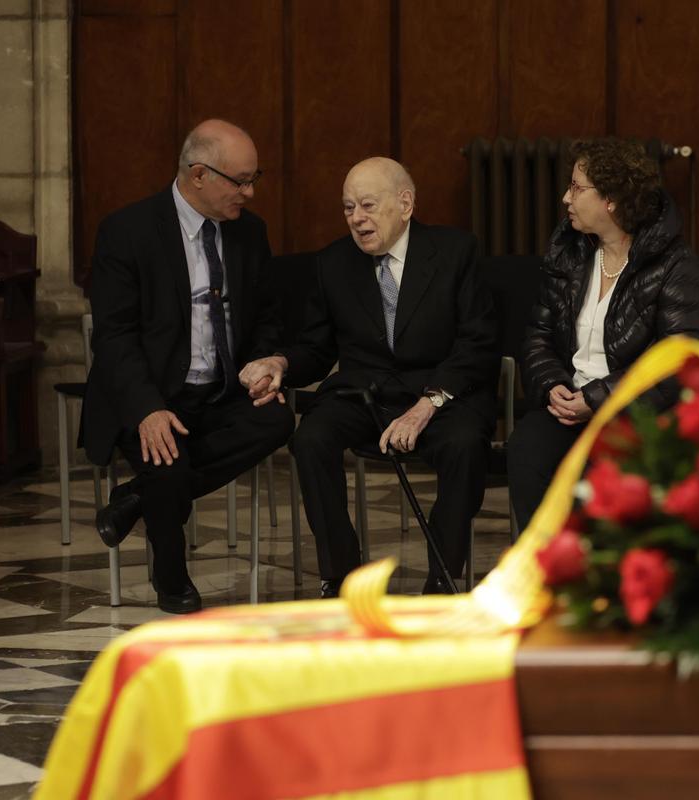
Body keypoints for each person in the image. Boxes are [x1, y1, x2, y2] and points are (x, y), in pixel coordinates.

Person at [239, 157, 498, 597]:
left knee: (464, 444)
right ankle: (341, 576)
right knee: (311, 439)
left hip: (439, 394)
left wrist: (427, 404)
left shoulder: (456, 252)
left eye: (367, 205)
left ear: (405, 204)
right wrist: (281, 364)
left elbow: (478, 343)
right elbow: (318, 349)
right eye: (347, 207)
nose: (356, 218)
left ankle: (442, 574)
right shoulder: (333, 263)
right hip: (364, 395)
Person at [82, 119, 295, 614]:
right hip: (150, 393)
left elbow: (266, 317)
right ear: (198, 174)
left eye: (253, 178)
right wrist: (147, 410)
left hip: (220, 393)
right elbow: (114, 338)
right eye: (239, 181)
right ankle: (171, 578)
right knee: (167, 464)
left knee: (277, 420)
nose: (248, 191)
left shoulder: (250, 232)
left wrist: (265, 363)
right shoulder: (128, 231)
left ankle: (134, 499)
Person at [508, 138, 699, 532]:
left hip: (634, 414)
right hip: (568, 403)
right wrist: (552, 384)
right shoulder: (570, 249)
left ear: (611, 200)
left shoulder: (675, 264)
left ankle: (595, 577)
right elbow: (538, 333)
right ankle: (542, 566)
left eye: (577, 187)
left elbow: (679, 358)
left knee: (601, 469)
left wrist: (598, 398)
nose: (566, 198)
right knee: (526, 448)